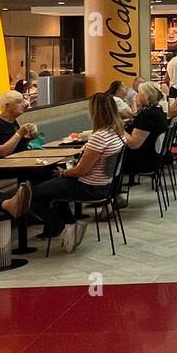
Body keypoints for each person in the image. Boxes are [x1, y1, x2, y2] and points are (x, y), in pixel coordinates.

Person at [31, 92, 125, 245]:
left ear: (95, 112)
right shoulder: (118, 133)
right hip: (106, 185)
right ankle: (70, 224)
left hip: (89, 187)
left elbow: (81, 171)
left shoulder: (99, 137)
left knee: (34, 194)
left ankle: (59, 226)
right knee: (52, 185)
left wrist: (64, 172)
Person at [122, 82, 169, 177]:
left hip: (143, 160)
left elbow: (134, 144)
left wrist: (119, 128)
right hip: (153, 156)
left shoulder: (148, 116)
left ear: (146, 96)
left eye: (139, 93)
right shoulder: (158, 111)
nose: (137, 96)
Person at [0, 90, 38, 160]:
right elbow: (2, 153)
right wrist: (19, 133)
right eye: (18, 102)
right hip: (4, 167)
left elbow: (17, 147)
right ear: (7, 106)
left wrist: (28, 138)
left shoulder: (13, 122)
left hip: (18, 162)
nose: (23, 105)